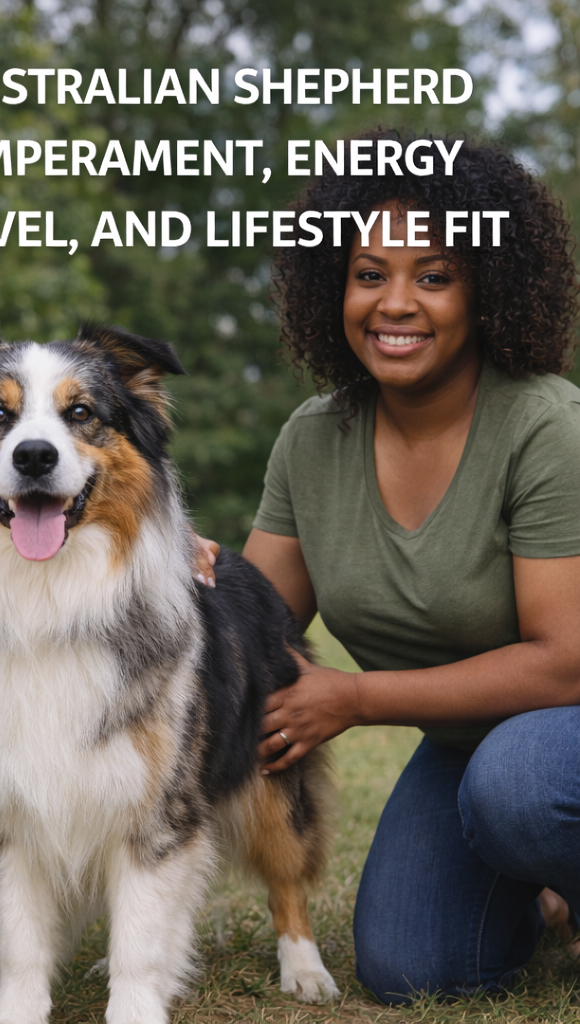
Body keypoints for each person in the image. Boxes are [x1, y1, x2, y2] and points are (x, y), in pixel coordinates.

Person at [239, 129, 580, 1003]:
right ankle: (549, 896)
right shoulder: (315, 438)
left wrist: (353, 698)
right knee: (413, 968)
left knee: (523, 788)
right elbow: (253, 626)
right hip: (474, 751)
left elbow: (563, 664)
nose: (396, 303)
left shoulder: (546, 426)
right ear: (331, 288)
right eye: (367, 274)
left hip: (553, 746)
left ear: (486, 290)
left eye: (434, 275)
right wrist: (167, 569)